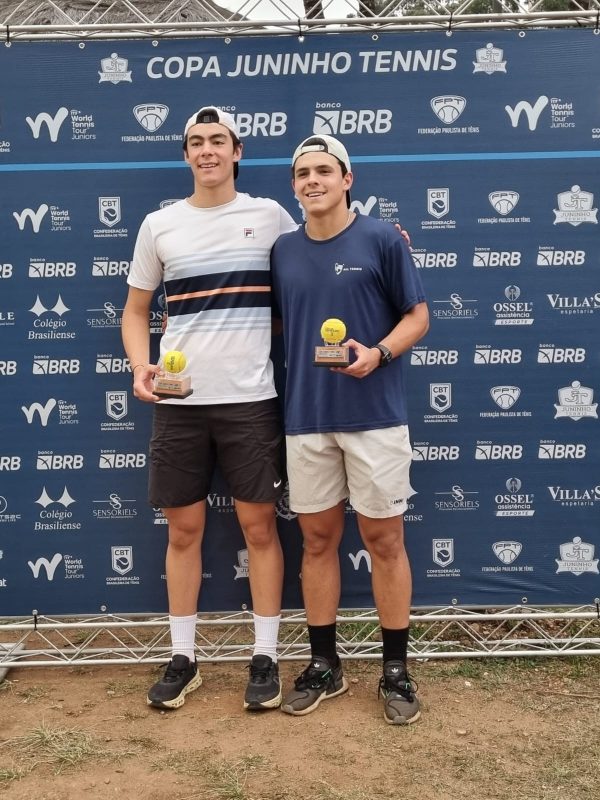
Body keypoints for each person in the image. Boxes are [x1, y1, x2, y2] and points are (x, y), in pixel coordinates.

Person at [121, 106, 297, 712]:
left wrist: (385, 242)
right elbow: (135, 310)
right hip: (180, 403)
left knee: (260, 530)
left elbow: (319, 257)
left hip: (251, 400)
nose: (207, 151)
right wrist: (139, 365)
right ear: (186, 154)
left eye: (217, 140)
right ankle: (183, 658)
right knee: (183, 531)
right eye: (196, 142)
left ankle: (265, 657)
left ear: (237, 150)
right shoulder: (160, 225)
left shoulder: (270, 216)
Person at [271, 135, 429, 725]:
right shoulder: (282, 250)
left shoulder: (383, 238)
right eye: (302, 174)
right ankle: (324, 664)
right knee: (316, 542)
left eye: (323, 171)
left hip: (375, 417)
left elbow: (418, 316)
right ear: (294, 186)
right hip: (307, 417)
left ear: (347, 179)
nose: (312, 181)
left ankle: (396, 670)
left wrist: (379, 353)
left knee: (385, 542)